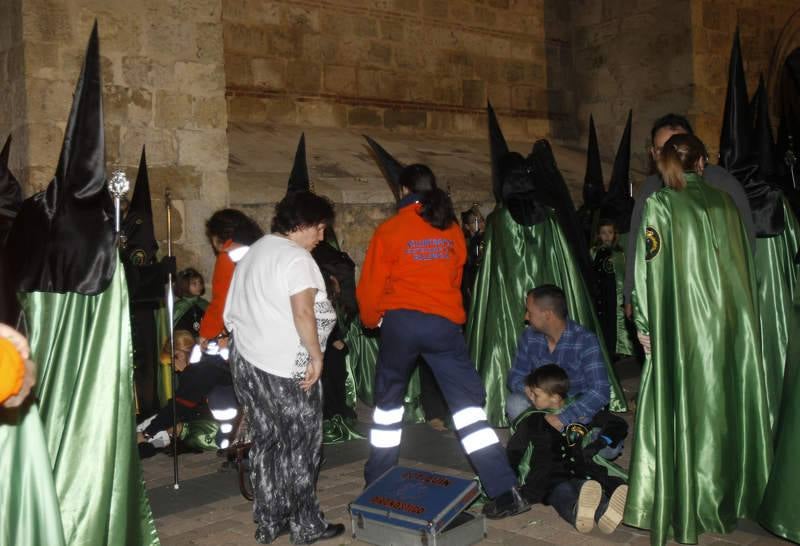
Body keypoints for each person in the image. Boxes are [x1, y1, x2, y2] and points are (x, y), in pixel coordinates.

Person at [357, 163, 528, 520]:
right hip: (443, 324)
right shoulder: (450, 228)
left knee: (388, 407)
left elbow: (371, 287)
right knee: (467, 408)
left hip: (401, 323)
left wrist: (372, 320)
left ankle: (379, 479)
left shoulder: (389, 230)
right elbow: (457, 272)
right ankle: (504, 489)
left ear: (403, 191)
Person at [623, 133, 771, 546]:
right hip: (727, 330)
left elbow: (647, 273)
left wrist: (645, 328)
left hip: (683, 332)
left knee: (684, 412)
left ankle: (689, 501)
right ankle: (727, 497)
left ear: (663, 162)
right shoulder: (725, 204)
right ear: (703, 163)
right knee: (722, 410)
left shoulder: (661, 206)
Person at [224, 190, 345, 544]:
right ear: (303, 224)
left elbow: (231, 313)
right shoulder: (295, 258)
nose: (321, 237)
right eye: (319, 229)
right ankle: (306, 524)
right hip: (284, 367)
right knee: (302, 446)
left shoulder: (255, 251)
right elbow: (303, 312)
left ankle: (270, 519)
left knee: (267, 442)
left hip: (247, 362)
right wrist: (316, 356)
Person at [623, 113, 756, 320]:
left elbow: (745, 240)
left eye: (677, 149)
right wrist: (630, 294)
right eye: (663, 150)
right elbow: (638, 244)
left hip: (714, 296)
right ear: (653, 153)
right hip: (665, 294)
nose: (671, 158)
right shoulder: (651, 189)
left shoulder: (722, 185)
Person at [506, 365, 628, 534]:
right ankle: (576, 511)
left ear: (555, 397)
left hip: (579, 468)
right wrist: (508, 481)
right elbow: (514, 450)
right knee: (560, 491)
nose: (530, 397)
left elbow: (618, 423)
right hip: (547, 475)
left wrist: (600, 442)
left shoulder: (580, 412)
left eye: (536, 394)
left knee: (589, 485)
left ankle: (604, 512)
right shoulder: (532, 420)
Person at [506, 285, 610, 425]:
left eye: (530, 312)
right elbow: (516, 375)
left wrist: (564, 417)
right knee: (515, 403)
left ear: (547, 315)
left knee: (594, 419)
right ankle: (540, 437)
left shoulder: (584, 339)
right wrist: (530, 390)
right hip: (540, 403)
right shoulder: (529, 336)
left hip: (574, 403)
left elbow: (600, 390)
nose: (526, 317)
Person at [200, 209, 263, 349]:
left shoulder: (228, 256)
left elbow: (221, 300)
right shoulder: (259, 247)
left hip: (243, 334)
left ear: (216, 236)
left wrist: (206, 334)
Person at [590, 220, 633, 358]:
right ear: (598, 235)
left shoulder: (620, 253)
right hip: (601, 294)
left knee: (615, 320)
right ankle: (604, 348)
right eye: (603, 233)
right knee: (604, 322)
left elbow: (624, 274)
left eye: (610, 232)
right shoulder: (594, 252)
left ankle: (618, 348)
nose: (607, 236)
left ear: (615, 234)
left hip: (615, 293)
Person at [174, 267, 209, 338]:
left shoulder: (204, 304)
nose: (199, 286)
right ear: (185, 285)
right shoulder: (179, 307)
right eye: (194, 284)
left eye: (200, 283)